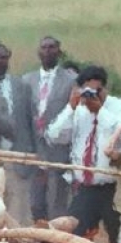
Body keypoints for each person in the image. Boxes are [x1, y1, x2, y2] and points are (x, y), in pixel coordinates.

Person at [46, 65, 121, 243]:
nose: (93, 95)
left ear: (105, 89)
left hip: (114, 187)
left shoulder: (120, 107)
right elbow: (54, 136)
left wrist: (100, 111)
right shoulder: (79, 110)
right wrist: (70, 107)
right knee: (73, 237)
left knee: (120, 242)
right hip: (86, 188)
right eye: (88, 91)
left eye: (97, 91)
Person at [22, 36, 76, 223]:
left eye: (52, 47)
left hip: (59, 153)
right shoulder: (27, 80)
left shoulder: (71, 80)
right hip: (35, 153)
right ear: (39, 52)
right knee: (36, 204)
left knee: (57, 205)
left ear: (59, 52)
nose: (47, 51)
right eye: (44, 47)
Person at [0, 42, 36, 226]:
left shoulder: (21, 86)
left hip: (18, 159)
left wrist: (35, 157)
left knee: (19, 214)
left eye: (2, 57)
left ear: (9, 58)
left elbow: (31, 123)